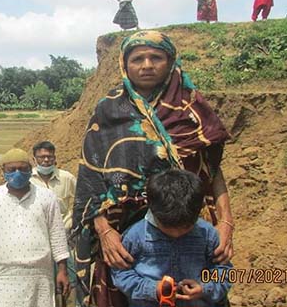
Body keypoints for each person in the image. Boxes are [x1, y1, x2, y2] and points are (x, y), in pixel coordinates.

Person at [72, 30, 234, 307]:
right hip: (122, 233)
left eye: (156, 57)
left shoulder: (192, 109)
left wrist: (226, 223)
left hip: (188, 224)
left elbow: (213, 172)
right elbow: (91, 179)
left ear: (170, 61)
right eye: (138, 58)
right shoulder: (108, 111)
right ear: (125, 64)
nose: (147, 65)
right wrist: (105, 232)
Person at [111, 169, 233, 306]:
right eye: (168, 228)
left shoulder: (207, 234)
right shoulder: (135, 236)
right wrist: (152, 289)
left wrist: (205, 288)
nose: (177, 234)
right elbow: (121, 273)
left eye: (186, 228)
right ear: (153, 210)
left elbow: (225, 272)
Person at [0, 148, 70, 307]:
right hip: (2, 276)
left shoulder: (46, 197)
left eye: (23, 169)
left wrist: (62, 270)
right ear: (3, 171)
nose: (17, 173)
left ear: (31, 170)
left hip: (39, 277)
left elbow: (56, 234)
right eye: (12, 169)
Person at [30, 141, 78, 305]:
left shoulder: (67, 178)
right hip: (37, 240)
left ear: (55, 158)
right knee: (43, 282)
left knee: (69, 281)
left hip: (64, 239)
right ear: (34, 159)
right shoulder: (28, 181)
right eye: (41, 157)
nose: (46, 160)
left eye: (49, 157)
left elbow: (77, 204)